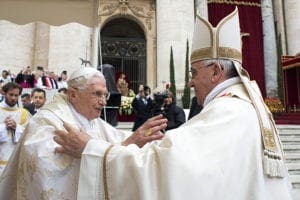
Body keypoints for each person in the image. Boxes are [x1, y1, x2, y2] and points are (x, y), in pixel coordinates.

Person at [50, 8, 293, 200]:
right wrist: (130, 142)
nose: (189, 82)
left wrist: (93, 150)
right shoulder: (240, 106)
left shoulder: (228, 112)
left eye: (194, 72)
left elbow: (167, 169)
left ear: (216, 71)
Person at [0, 67, 166, 199]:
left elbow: (118, 139)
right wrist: (114, 151)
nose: (104, 101)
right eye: (97, 94)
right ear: (73, 94)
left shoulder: (92, 119)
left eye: (105, 95)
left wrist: (137, 139)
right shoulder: (47, 121)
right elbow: (45, 172)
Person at [0, 82, 30, 175]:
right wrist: (3, 126)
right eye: (11, 94)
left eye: (16, 95)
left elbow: (28, 135)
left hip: (15, 156)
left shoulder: (24, 113)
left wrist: (16, 127)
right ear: (4, 93)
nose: (13, 98)